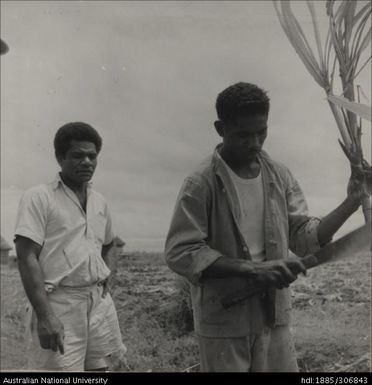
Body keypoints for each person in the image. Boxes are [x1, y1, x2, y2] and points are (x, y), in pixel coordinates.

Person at [164, 82, 367, 372]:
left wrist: (352, 202)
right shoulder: (200, 183)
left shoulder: (280, 175)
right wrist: (255, 269)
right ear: (220, 128)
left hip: (273, 314)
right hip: (224, 319)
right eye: (243, 135)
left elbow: (303, 237)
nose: (256, 143)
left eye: (262, 132)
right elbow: (181, 251)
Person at [14, 122, 127, 371]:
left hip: (98, 302)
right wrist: (45, 316)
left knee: (102, 369)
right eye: (77, 155)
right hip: (58, 302)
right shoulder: (40, 197)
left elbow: (109, 244)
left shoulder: (99, 201)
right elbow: (26, 256)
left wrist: (110, 274)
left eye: (92, 156)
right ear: (60, 157)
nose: (86, 161)